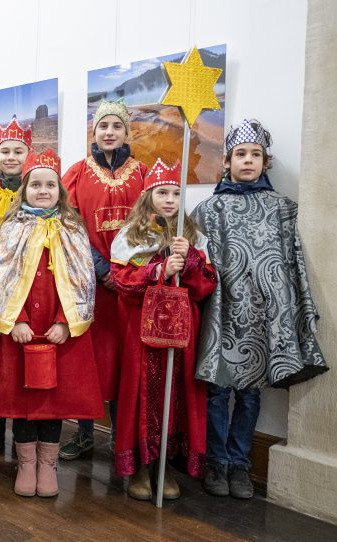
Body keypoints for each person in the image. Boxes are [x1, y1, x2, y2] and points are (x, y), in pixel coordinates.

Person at [192, 119, 328, 499]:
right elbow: (196, 262)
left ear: (265, 162)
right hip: (221, 314)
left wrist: (298, 311)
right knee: (218, 392)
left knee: (251, 394)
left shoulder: (282, 209)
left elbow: (294, 262)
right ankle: (215, 462)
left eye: (255, 155)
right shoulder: (209, 210)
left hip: (261, 317)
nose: (248, 161)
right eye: (241, 154)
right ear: (228, 162)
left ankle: (240, 464)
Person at [0, 149, 104, 498]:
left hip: (58, 330)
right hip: (22, 330)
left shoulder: (72, 227)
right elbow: (0, 274)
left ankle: (47, 464)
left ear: (60, 191)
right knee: (23, 400)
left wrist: (67, 322)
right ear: (25, 189)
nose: (43, 190)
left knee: (53, 400)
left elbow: (83, 279)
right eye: (36, 184)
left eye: (50, 185)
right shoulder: (11, 226)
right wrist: (15, 319)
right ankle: (26, 463)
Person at [110, 158, 216, 501]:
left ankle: (165, 467)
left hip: (181, 333)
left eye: (175, 193)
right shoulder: (131, 235)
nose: (170, 199)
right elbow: (122, 282)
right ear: (148, 195)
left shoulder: (193, 235)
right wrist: (158, 268)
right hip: (142, 331)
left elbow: (206, 287)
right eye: (162, 192)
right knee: (142, 396)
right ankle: (141, 468)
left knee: (175, 397)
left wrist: (191, 262)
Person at [59, 98, 147, 460]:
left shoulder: (142, 173)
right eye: (103, 127)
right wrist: (101, 268)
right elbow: (68, 223)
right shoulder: (78, 173)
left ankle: (121, 436)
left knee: (127, 360)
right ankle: (83, 433)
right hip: (91, 282)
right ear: (93, 133)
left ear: (127, 132)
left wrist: (128, 270)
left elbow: (154, 223)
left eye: (116, 127)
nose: (109, 133)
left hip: (133, 284)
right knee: (90, 359)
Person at [0, 116, 32, 452]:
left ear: (29, 154)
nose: (11, 157)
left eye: (18, 151)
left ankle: (25, 425)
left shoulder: (39, 193)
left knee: (22, 356)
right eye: (5, 151)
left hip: (27, 287)